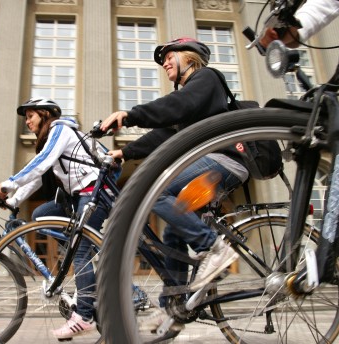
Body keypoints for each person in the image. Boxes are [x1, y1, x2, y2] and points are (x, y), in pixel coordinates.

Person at [101, 37, 249, 295]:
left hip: (223, 160)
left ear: (189, 57)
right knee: (174, 232)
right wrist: (124, 152)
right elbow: (164, 133)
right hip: (209, 165)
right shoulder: (189, 100)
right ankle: (176, 301)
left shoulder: (206, 78)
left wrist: (130, 115)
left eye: (170, 57)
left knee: (154, 190)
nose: (165, 64)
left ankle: (214, 248)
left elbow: (177, 107)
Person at [0, 98, 109, 340]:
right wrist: (13, 201)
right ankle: (85, 272)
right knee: (41, 215)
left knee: (80, 251)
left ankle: (84, 317)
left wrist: (8, 184)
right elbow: (38, 177)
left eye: (30, 116)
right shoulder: (51, 137)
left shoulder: (60, 128)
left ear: (45, 114)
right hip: (77, 196)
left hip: (93, 192)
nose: (27, 122)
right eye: (26, 118)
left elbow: (41, 162)